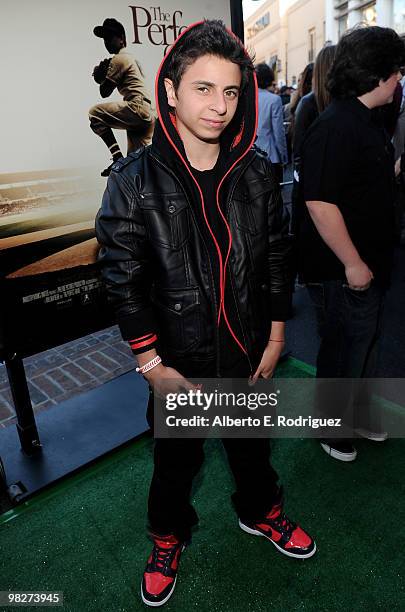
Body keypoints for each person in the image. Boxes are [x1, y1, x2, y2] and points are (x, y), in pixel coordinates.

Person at [96, 20, 316, 608]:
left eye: (231, 91)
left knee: (252, 447)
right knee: (174, 464)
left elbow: (275, 256)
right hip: (178, 363)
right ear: (169, 90)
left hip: (248, 350)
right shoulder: (132, 181)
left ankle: (260, 512)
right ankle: (167, 538)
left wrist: (275, 335)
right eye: (203, 89)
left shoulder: (256, 171)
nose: (219, 106)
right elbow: (122, 277)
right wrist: (151, 363)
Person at [299, 26, 405, 462]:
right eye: (396, 72)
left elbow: (353, 187)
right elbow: (320, 202)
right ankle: (330, 426)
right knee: (345, 346)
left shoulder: (364, 119)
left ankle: (355, 416)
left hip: (369, 262)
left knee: (363, 345)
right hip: (346, 268)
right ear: (376, 75)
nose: (399, 80)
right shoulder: (337, 125)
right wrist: (353, 263)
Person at [89, 18, 154, 177]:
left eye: (110, 37)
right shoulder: (131, 58)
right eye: (104, 39)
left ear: (122, 39)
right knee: (137, 164)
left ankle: (117, 157)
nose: (106, 42)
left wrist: (100, 75)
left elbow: (104, 91)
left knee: (95, 113)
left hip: (137, 107)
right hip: (148, 113)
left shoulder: (120, 58)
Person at [291, 45, 337, 237]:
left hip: (331, 185)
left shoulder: (342, 102)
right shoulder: (309, 103)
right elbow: (299, 151)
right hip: (312, 189)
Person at [255, 63, 288, 184]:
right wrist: (284, 155)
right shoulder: (274, 100)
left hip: (250, 155)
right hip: (270, 155)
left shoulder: (246, 99)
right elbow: (278, 131)